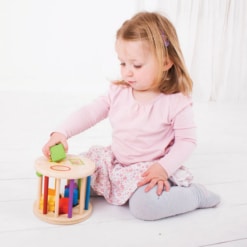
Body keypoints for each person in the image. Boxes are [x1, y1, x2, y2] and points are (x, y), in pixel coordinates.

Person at [42, 11, 220, 220]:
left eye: (136, 65)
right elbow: (89, 112)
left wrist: (163, 168)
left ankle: (195, 195)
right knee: (76, 173)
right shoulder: (119, 92)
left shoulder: (175, 102)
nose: (127, 72)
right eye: (123, 63)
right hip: (115, 162)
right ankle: (91, 189)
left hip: (150, 168)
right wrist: (62, 132)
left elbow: (187, 141)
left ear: (165, 63)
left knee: (145, 206)